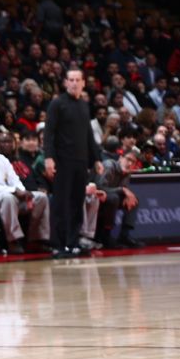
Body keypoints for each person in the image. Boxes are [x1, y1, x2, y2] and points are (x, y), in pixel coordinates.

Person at [41, 66, 101, 257]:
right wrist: (49, 158)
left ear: (83, 83)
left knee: (77, 203)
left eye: (78, 80)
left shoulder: (84, 105)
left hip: (80, 162)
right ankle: (57, 244)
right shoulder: (57, 104)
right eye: (71, 80)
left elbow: (89, 135)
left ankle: (73, 243)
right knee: (61, 204)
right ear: (66, 83)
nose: (75, 83)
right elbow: (48, 133)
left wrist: (96, 158)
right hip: (62, 161)